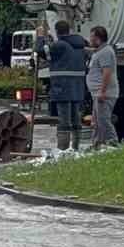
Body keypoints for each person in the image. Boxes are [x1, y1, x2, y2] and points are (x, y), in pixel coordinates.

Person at [37, 20, 89, 151]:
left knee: (63, 120)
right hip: (77, 87)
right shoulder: (79, 44)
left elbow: (40, 51)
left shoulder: (60, 45)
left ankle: (63, 149)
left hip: (62, 87)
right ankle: (75, 147)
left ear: (57, 32)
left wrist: (39, 36)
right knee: (76, 117)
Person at [87, 25, 119, 147]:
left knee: (103, 120)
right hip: (97, 93)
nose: (90, 40)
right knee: (95, 121)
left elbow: (107, 72)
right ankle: (96, 145)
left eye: (92, 38)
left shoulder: (105, 52)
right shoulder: (100, 51)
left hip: (104, 94)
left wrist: (102, 91)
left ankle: (113, 143)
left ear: (98, 39)